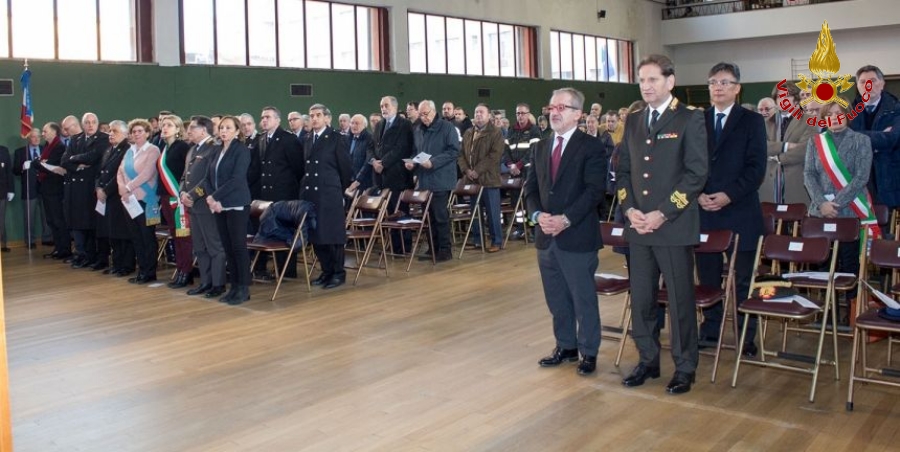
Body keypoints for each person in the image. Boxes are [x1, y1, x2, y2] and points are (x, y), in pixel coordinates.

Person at [617, 54, 708, 395]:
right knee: (641, 298)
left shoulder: (688, 119)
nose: (646, 86)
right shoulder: (635, 120)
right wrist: (629, 210)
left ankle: (685, 366)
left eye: (653, 79)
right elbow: (624, 171)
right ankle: (648, 359)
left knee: (680, 300)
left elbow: (696, 174)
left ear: (670, 82)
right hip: (639, 228)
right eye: (642, 80)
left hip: (673, 226)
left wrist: (664, 212)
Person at [525, 87, 607, 376]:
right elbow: (531, 188)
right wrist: (537, 215)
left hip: (577, 235)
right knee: (556, 297)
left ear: (577, 114)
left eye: (562, 107)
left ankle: (588, 351)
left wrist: (566, 219)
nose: (555, 112)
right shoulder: (540, 146)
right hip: (546, 236)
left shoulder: (591, 147)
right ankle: (566, 345)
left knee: (582, 297)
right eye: (552, 107)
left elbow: (595, 190)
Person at [696, 62, 767, 358]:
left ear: (737, 88)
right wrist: (697, 193)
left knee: (742, 280)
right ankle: (710, 330)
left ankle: (745, 336)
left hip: (740, 212)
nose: (718, 87)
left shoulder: (751, 121)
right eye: (713, 82)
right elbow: (689, 164)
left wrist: (728, 195)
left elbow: (756, 168)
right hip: (704, 212)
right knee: (708, 278)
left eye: (725, 82)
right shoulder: (697, 120)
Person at [805, 102, 874, 280]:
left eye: (839, 113)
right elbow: (809, 174)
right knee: (821, 264)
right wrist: (822, 204)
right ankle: (825, 307)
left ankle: (851, 304)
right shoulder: (815, 141)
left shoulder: (861, 140)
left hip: (849, 210)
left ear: (847, 115)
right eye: (830, 114)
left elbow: (861, 177)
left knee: (849, 265)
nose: (834, 117)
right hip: (820, 212)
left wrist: (835, 204)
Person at [302, 104, 353, 289]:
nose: (314, 118)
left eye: (317, 115)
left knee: (332, 235)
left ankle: (338, 273)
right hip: (311, 193)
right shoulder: (308, 139)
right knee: (317, 235)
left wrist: (340, 190)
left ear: (327, 118)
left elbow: (345, 168)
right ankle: (326, 271)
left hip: (329, 193)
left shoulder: (336, 138)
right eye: (311, 115)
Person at [206, 116, 253, 304]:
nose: (223, 131)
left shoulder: (241, 150)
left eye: (228, 127)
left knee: (238, 247)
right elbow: (208, 177)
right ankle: (234, 287)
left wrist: (215, 197)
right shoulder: (217, 150)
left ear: (237, 131)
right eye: (221, 127)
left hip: (236, 203)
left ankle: (243, 288)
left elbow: (237, 179)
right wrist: (211, 198)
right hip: (219, 205)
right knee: (227, 247)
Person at [254, 106, 305, 280]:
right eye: (262, 117)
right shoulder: (261, 140)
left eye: (268, 117)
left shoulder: (288, 139)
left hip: (283, 194)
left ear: (277, 120)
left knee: (284, 232)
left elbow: (299, 168)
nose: (264, 120)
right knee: (266, 230)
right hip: (265, 195)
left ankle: (287, 271)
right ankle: (264, 268)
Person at [406, 100, 460, 262]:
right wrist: (412, 164)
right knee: (428, 216)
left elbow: (453, 151)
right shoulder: (418, 130)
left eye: (426, 114)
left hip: (441, 178)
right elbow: (417, 152)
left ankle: (445, 250)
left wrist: (433, 162)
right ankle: (433, 248)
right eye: (421, 115)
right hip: (424, 180)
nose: (423, 118)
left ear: (434, 112)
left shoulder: (447, 127)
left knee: (440, 216)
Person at [361, 96, 415, 252]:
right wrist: (373, 161)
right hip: (381, 177)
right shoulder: (379, 125)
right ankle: (394, 245)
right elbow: (371, 146)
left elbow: (401, 148)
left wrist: (383, 163)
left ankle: (405, 246)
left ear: (395, 107)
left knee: (400, 212)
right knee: (389, 213)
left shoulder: (404, 124)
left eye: (386, 105)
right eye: (381, 106)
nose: (383, 108)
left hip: (398, 176)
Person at [181, 116, 227, 298]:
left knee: (214, 246)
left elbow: (209, 178)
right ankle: (206, 282)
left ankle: (218, 284)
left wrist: (191, 195)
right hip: (192, 206)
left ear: (204, 130)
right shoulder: (192, 149)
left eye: (192, 128)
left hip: (205, 204)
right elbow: (185, 176)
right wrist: (182, 194)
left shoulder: (214, 148)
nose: (189, 131)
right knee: (199, 247)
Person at [849, 65, 900, 210]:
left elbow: (892, 138)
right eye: (863, 82)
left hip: (889, 181)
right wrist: (879, 139)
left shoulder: (896, 109)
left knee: (887, 229)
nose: (868, 85)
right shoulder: (847, 111)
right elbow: (845, 139)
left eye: (872, 80)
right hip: (859, 181)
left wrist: (857, 138)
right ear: (857, 86)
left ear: (882, 83)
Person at [62, 113, 109, 269]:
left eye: (93, 122)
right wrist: (76, 164)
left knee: (92, 224)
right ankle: (82, 255)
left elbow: (93, 156)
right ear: (83, 125)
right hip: (76, 189)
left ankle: (94, 257)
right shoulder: (76, 139)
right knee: (78, 223)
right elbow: (64, 161)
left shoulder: (103, 138)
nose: (90, 125)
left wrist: (73, 158)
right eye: (87, 122)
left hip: (91, 186)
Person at [117, 119, 161, 284]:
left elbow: (147, 173)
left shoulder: (153, 150)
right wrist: (122, 188)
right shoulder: (129, 151)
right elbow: (120, 172)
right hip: (129, 200)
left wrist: (128, 187)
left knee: (147, 236)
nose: (136, 134)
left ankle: (150, 271)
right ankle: (141, 269)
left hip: (146, 199)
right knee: (136, 236)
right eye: (134, 131)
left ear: (148, 133)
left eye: (140, 131)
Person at [459, 103, 505, 252]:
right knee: (475, 212)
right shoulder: (468, 133)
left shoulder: (496, 133)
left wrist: (477, 170)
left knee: (492, 213)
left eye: (481, 112)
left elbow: (494, 156)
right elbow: (460, 155)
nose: (478, 115)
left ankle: (496, 241)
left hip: (489, 179)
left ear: (488, 116)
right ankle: (478, 240)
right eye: (476, 112)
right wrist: (466, 170)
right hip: (472, 180)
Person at [156, 114, 194, 289]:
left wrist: (182, 192)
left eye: (169, 125)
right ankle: (181, 270)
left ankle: (186, 272)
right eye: (163, 125)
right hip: (165, 197)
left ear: (178, 129)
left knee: (183, 237)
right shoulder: (164, 148)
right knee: (174, 235)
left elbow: (188, 172)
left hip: (178, 198)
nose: (165, 128)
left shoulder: (182, 147)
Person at [759, 81, 812, 205]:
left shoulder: (810, 121)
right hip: (769, 188)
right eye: (779, 96)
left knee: (798, 223)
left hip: (797, 185)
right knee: (771, 223)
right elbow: (761, 146)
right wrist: (786, 146)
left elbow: (805, 149)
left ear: (796, 99)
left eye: (787, 96)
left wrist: (777, 157)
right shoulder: (763, 123)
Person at [95, 120, 135, 276]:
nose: (110, 133)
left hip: (119, 195)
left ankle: (127, 265)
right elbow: (101, 172)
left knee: (123, 233)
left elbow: (120, 174)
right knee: (113, 233)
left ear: (125, 134)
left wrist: (105, 190)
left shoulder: (127, 149)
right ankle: (117, 264)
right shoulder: (109, 149)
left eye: (115, 131)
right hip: (108, 197)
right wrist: (98, 187)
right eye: (110, 130)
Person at [37, 122, 71, 259]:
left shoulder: (59, 147)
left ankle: (65, 250)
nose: (43, 133)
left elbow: (50, 166)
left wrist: (38, 164)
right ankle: (58, 248)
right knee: (51, 220)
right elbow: (43, 162)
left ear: (54, 132)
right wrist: (40, 163)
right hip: (46, 189)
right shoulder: (47, 146)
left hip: (55, 189)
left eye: (45, 131)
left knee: (58, 220)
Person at [13, 129, 52, 249]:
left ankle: (47, 238)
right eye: (33, 137)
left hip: (45, 187)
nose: (36, 139)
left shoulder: (45, 150)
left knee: (46, 215)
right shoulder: (21, 152)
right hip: (29, 188)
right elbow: (15, 171)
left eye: (38, 137)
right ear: (28, 138)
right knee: (29, 216)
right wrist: (23, 167)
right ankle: (30, 240)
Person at [346, 114, 373, 192]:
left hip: (362, 182)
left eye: (357, 123)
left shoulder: (370, 138)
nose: (353, 125)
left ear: (364, 125)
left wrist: (358, 180)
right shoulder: (347, 138)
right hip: (347, 180)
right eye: (352, 123)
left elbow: (368, 161)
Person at [0, 143, 12, 252]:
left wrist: (11, 190)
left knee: (1, 219)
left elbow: (9, 171)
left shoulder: (3, 150)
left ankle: (3, 244)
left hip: (2, 191)